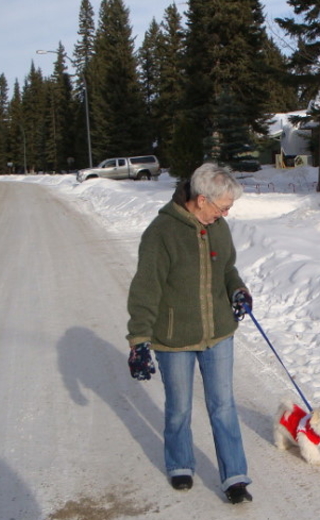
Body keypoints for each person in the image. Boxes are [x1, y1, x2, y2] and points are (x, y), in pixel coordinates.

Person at [126, 163, 253, 504]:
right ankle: (180, 463)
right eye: (222, 206)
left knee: (223, 405)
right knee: (179, 407)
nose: (226, 213)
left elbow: (227, 268)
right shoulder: (161, 233)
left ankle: (235, 476)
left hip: (218, 332)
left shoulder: (218, 227)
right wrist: (139, 340)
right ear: (200, 200)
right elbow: (145, 289)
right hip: (174, 337)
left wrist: (237, 289)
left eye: (228, 207)